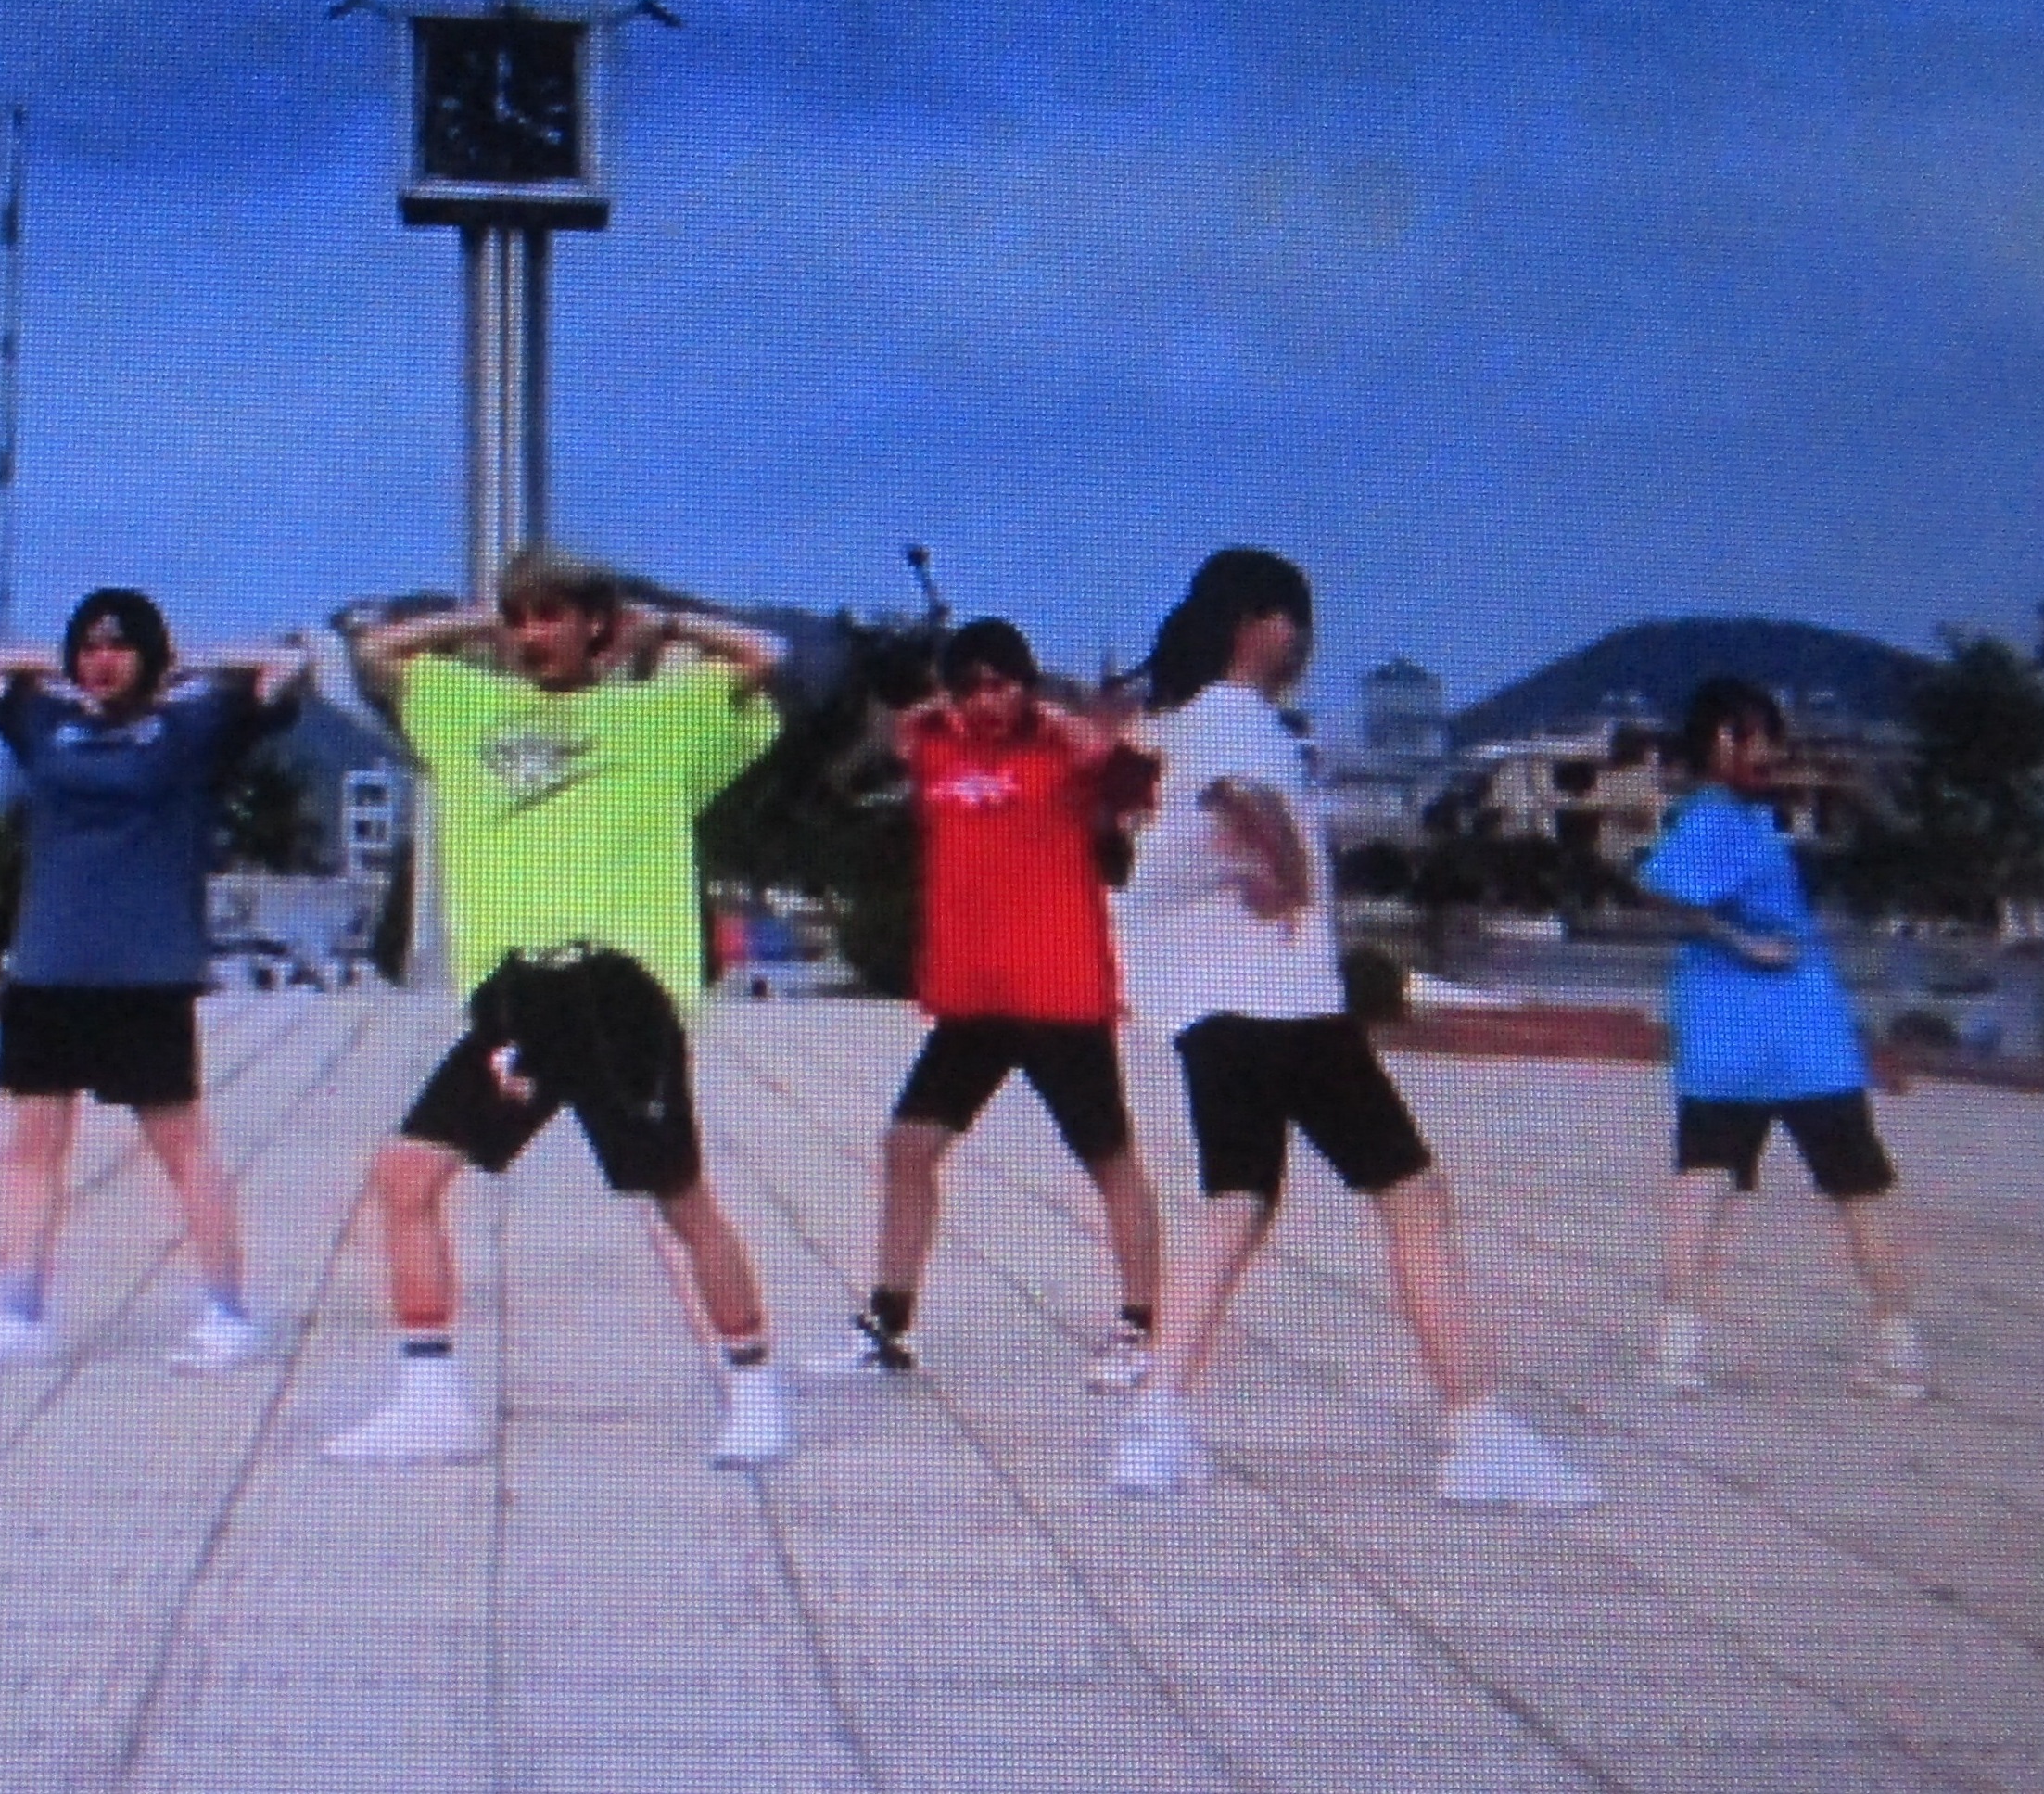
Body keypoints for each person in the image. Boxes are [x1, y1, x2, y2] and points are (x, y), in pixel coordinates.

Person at [1101, 549, 1600, 1508]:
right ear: (1264, 625)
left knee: (1236, 1201)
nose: (1305, 645)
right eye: (1299, 624)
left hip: (1208, 1010)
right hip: (1286, 1008)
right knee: (1412, 1197)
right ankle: (1476, 1432)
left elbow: (1163, 844)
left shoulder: (1175, 725)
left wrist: (1251, 864)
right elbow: (1232, 807)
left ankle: (1155, 1425)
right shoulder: (1237, 719)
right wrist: (1282, 871)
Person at [321, 552, 794, 1469]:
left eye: (553, 617)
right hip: (517, 995)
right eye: (522, 619)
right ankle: (430, 1400)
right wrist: (479, 620)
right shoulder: (466, 707)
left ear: (595, 625)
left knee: (680, 1200)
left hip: (618, 993)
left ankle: (755, 1390)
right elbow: (375, 653)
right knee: (406, 1177)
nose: (535, 636)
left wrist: (663, 625)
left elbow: (766, 657)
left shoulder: (664, 716)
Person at [0, 589, 310, 1373]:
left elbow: (292, 664)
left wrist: (179, 663)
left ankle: (227, 1310)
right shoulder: (47, 723)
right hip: (49, 967)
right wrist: (63, 669)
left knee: (182, 1147)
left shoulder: (191, 728)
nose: (102, 662)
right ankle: (18, 1312)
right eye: (89, 648)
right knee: (32, 1146)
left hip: (145, 972)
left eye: (119, 647)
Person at [829, 618, 1165, 1392]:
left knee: (1108, 1157)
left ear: (1026, 682)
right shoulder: (934, 745)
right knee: (908, 1144)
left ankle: (1142, 1323)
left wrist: (1087, 735)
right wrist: (917, 704)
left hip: (1059, 994)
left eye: (1002, 684)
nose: (987, 701)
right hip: (973, 998)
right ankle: (889, 1318)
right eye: (970, 687)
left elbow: (1140, 787)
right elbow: (869, 751)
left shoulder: (1062, 749)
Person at [1637, 676, 1928, 1400]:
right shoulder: (1720, 815)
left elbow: (1662, 888)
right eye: (1748, 736)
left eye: (1769, 736)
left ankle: (1678, 1347)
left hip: (1749, 1038)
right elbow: (1663, 886)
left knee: (1710, 1182)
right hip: (1792, 1036)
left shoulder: (1733, 815)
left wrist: (1733, 938)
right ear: (1713, 742)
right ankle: (1897, 1347)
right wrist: (1742, 939)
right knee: (1853, 1185)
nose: (1764, 751)